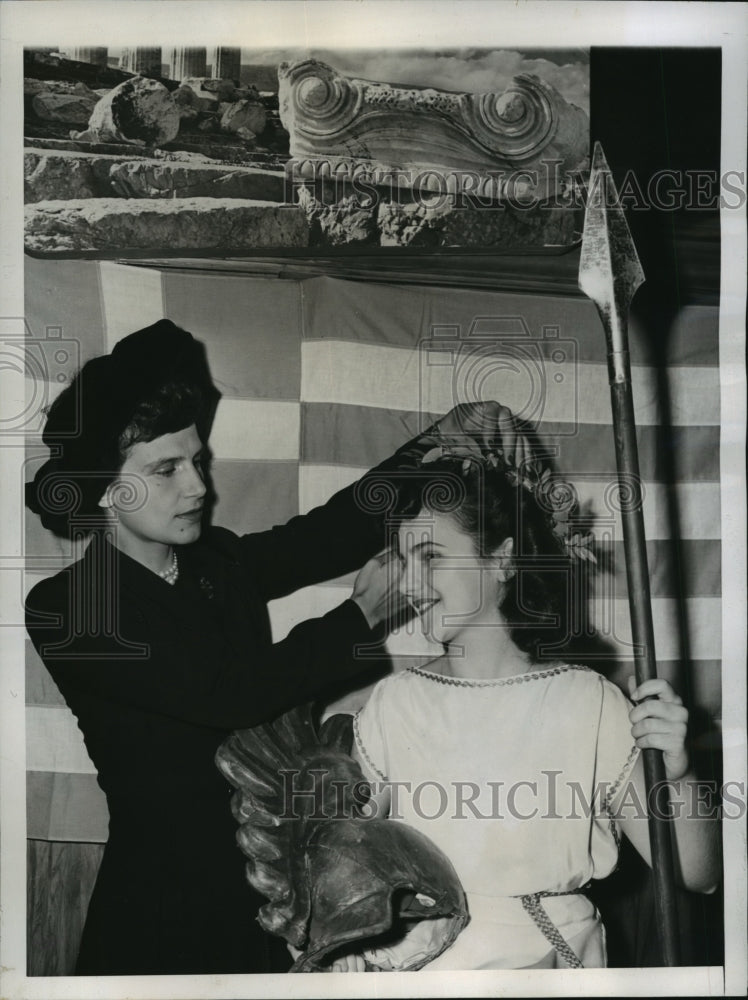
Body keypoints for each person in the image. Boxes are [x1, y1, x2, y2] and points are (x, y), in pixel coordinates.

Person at [24, 319, 525, 976]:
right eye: (167, 469)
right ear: (107, 488)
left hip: (270, 888)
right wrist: (359, 616)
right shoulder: (68, 607)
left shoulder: (215, 564)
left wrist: (444, 438)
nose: (198, 487)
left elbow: (328, 533)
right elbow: (230, 692)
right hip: (160, 904)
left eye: (197, 461)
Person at [333, 447, 721, 971]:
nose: (409, 583)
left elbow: (697, 873)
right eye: (405, 561)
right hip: (421, 974)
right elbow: (354, 865)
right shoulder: (392, 704)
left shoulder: (590, 703)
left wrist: (680, 772)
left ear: (502, 559)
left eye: (431, 557)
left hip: (550, 965)